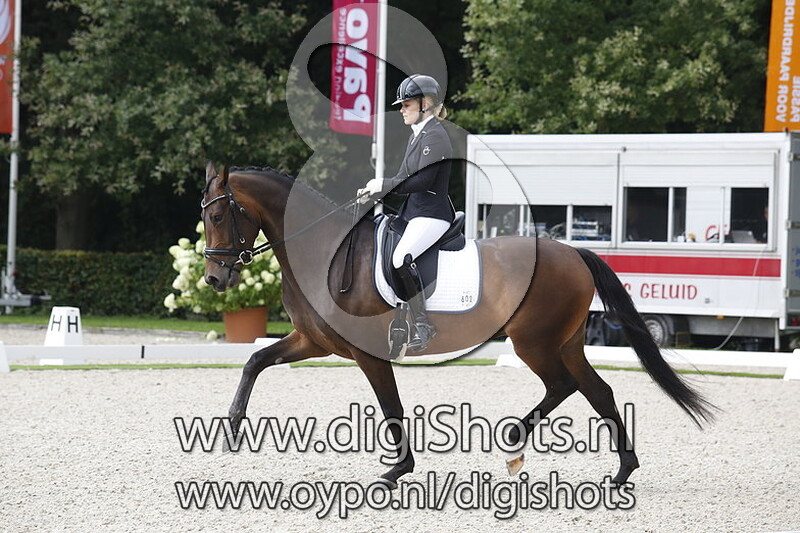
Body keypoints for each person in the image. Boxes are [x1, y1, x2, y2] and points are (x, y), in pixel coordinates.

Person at [358, 74, 454, 352]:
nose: (401, 109)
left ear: (426, 104)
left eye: (406, 104)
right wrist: (374, 191)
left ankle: (423, 325)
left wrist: (384, 184)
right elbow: (403, 178)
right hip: (413, 212)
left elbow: (422, 181)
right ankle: (399, 318)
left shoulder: (435, 136)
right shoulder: (417, 136)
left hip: (432, 214)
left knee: (401, 258)